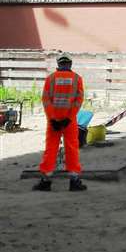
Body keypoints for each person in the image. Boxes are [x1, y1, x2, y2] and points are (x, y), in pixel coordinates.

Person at [33, 51, 86, 192]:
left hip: (53, 122)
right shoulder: (77, 79)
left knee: (51, 149)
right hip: (69, 121)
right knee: (72, 149)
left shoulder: (50, 79)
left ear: (58, 64)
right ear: (70, 63)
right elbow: (78, 101)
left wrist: (53, 119)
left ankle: (46, 180)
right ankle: (74, 181)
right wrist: (68, 118)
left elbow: (46, 100)